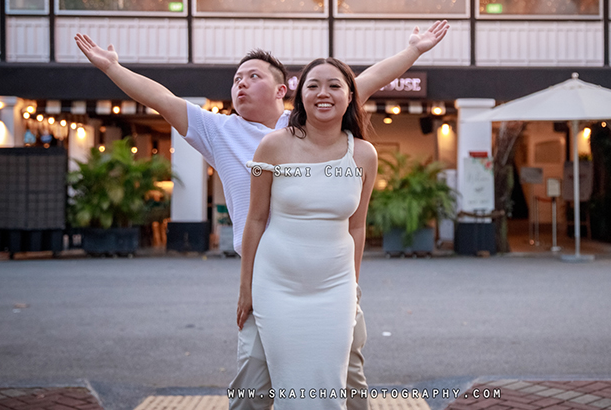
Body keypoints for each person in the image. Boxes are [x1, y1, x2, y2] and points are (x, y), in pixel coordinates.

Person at [73, 20, 449, 410]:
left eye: (253, 76)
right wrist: (112, 68)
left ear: (283, 90)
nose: (241, 84)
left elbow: (363, 81)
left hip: (327, 276)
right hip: (266, 276)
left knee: (348, 378)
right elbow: (161, 99)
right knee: (252, 384)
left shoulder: (306, 123)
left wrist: (414, 50)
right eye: (236, 78)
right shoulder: (218, 131)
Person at [238, 58, 377, 409]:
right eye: (313, 85)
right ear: (300, 97)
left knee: (329, 386)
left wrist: (353, 286)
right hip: (276, 284)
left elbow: (357, 225)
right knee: (288, 385)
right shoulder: (273, 146)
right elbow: (255, 220)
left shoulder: (364, 154)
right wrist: (246, 289)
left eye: (334, 85)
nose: (323, 93)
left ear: (349, 97)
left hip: (335, 286)